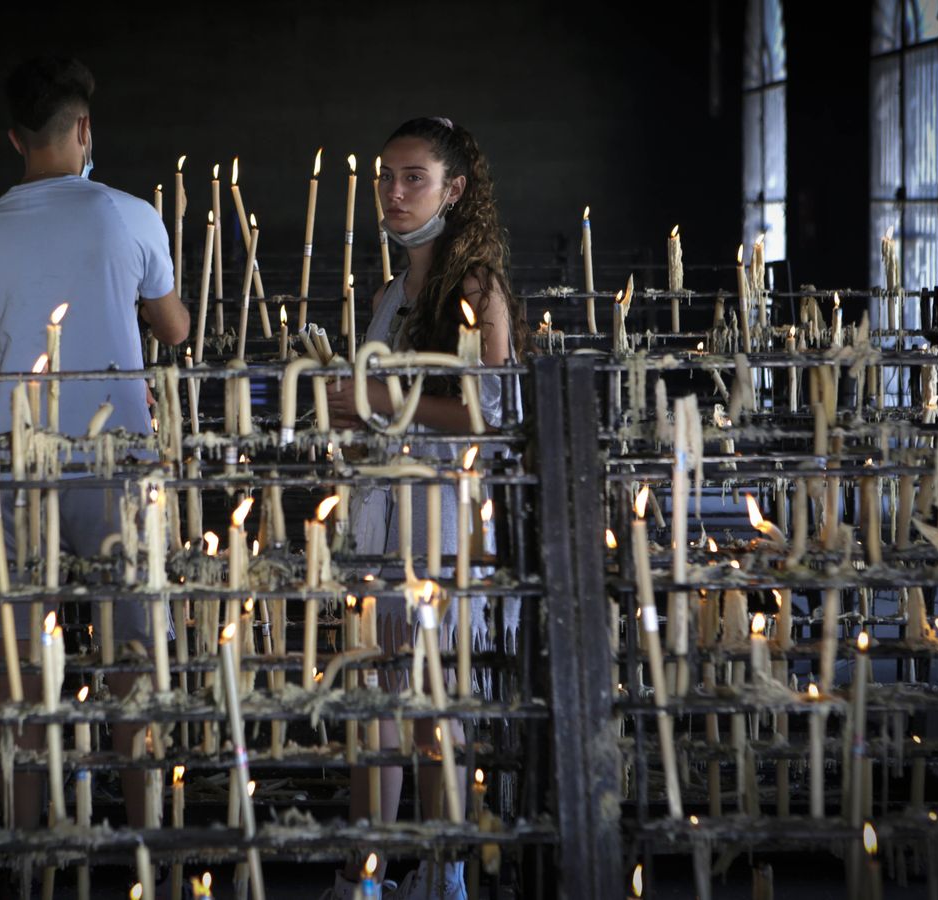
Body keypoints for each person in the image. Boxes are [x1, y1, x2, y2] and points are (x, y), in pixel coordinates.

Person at [0, 56, 189, 834]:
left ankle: (25, 844)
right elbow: (175, 330)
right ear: (85, 129)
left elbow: (4, 330)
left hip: (19, 457)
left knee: (22, 671)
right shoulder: (129, 214)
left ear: (13, 138)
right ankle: (149, 838)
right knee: (133, 660)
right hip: (119, 453)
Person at [321, 116, 525, 900]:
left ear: (456, 190)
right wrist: (348, 411)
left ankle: (445, 871)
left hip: (443, 510)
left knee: (436, 701)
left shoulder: (477, 289)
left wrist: (382, 399)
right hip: (384, 508)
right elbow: (380, 408)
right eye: (385, 177)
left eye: (414, 178)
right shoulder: (388, 292)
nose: (395, 193)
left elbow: (492, 410)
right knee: (375, 694)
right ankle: (365, 869)